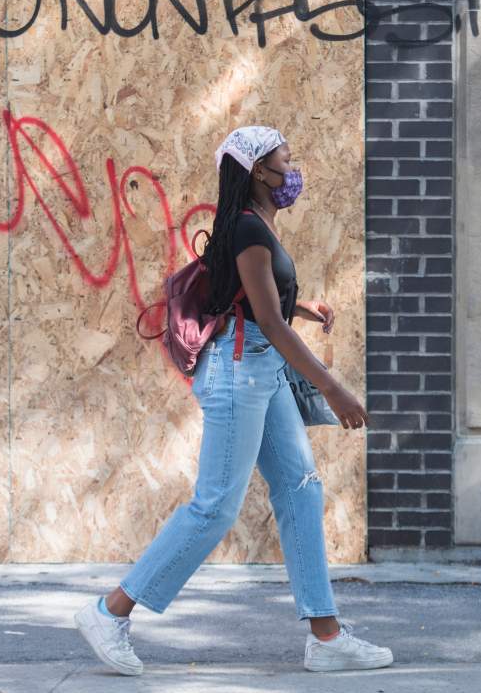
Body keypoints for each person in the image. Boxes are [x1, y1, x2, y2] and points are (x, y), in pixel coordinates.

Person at [73, 126, 393, 675]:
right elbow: (265, 318)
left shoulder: (256, 224)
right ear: (257, 173)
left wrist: (304, 307)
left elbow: (256, 303)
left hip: (260, 366)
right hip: (239, 373)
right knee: (216, 505)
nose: (293, 173)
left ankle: (326, 635)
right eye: (285, 163)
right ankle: (109, 612)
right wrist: (332, 387)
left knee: (300, 488)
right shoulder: (247, 228)